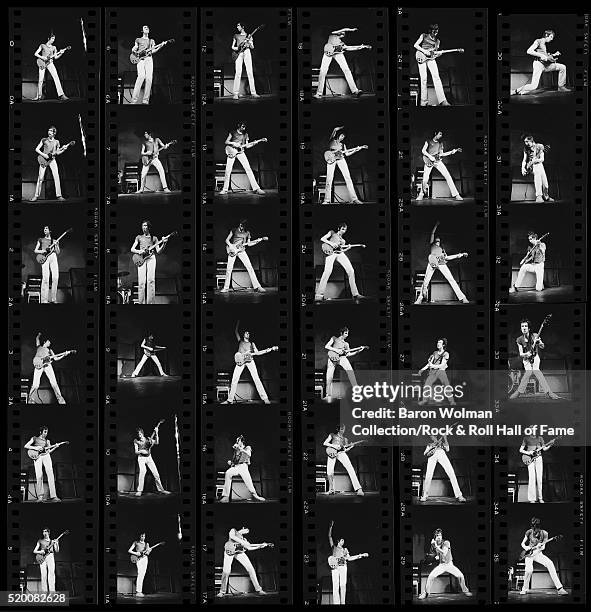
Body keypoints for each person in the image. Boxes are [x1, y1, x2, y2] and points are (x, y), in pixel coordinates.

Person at [415, 221, 469, 304]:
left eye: (438, 241)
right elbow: (432, 233)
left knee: (451, 279)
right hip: (432, 262)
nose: (437, 242)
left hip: (441, 264)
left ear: (440, 242)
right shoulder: (431, 245)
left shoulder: (442, 250)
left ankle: (463, 298)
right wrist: (436, 225)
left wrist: (461, 254)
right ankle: (420, 298)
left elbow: (448, 257)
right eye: (436, 240)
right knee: (426, 280)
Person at [223, 321, 274, 404]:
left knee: (256, 379)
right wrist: (238, 322)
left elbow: (257, 353)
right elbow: (235, 331)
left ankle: (265, 399)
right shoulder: (240, 341)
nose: (247, 334)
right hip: (240, 362)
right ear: (243, 334)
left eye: (248, 333)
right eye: (246, 333)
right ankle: (230, 400)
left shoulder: (252, 343)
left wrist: (269, 349)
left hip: (250, 361)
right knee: (234, 380)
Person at [509, 318, 560, 400]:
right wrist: (527, 354)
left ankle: (549, 393)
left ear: (529, 328)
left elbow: (542, 346)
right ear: (521, 328)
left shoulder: (535, 335)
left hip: (535, 357)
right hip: (526, 359)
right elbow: (521, 354)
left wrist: (539, 342)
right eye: (522, 326)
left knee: (536, 371)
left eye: (526, 326)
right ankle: (519, 392)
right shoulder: (519, 339)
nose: (524, 328)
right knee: (528, 373)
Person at [314, 27, 371, 98]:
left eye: (344, 34)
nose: (343, 34)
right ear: (340, 33)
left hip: (338, 54)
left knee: (347, 70)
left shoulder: (341, 44)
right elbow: (342, 30)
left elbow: (350, 48)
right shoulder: (332, 35)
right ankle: (319, 93)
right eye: (342, 33)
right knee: (323, 72)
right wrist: (351, 30)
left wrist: (362, 46)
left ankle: (355, 91)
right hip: (328, 54)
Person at [315, 222, 365, 302]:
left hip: (340, 253)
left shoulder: (343, 241)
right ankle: (319, 295)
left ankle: (355, 294)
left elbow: (341, 250)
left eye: (345, 230)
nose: (344, 231)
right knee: (327, 272)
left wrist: (347, 248)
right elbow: (323, 239)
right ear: (339, 228)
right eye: (342, 229)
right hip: (331, 253)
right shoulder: (332, 233)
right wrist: (331, 242)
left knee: (351, 271)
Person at [512, 29, 571, 96]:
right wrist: (541, 55)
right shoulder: (538, 41)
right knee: (534, 86)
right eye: (551, 37)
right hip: (539, 65)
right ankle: (515, 91)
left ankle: (561, 87)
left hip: (546, 65)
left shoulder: (544, 45)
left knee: (562, 67)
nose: (552, 39)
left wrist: (554, 55)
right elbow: (529, 51)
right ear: (546, 35)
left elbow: (546, 57)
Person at [418, 528, 472, 599]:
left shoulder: (446, 542)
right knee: (431, 576)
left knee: (460, 576)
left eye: (440, 535)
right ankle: (425, 593)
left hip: (449, 565)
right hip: (441, 565)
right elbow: (434, 555)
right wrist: (433, 557)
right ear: (435, 537)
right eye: (437, 535)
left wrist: (436, 546)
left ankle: (465, 591)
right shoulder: (434, 545)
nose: (439, 537)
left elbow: (444, 552)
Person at [218, 526, 271, 597]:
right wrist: (242, 542)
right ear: (243, 528)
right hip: (229, 552)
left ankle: (259, 590)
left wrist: (260, 546)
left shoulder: (244, 539)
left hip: (239, 553)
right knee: (226, 571)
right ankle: (222, 591)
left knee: (251, 569)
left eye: (248, 531)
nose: (247, 531)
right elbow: (232, 536)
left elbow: (249, 547)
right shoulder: (233, 531)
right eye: (246, 530)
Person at [519, 517, 568, 595]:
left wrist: (540, 546)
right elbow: (522, 544)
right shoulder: (528, 532)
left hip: (538, 553)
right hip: (529, 554)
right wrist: (527, 548)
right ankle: (524, 589)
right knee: (529, 570)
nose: (535, 531)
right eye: (533, 528)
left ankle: (560, 588)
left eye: (536, 529)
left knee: (550, 563)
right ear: (532, 527)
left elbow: (543, 547)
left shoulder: (545, 533)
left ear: (539, 527)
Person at [327, 520, 369, 604]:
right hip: (335, 567)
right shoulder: (334, 547)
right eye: (342, 540)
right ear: (338, 540)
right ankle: (336, 603)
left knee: (343, 586)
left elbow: (349, 558)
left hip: (343, 567)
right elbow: (329, 536)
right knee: (335, 586)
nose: (343, 542)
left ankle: (343, 602)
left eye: (343, 540)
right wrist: (330, 527)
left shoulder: (345, 550)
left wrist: (361, 555)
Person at [219, 122, 265, 195]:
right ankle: (225, 189)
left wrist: (256, 142)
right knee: (228, 170)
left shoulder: (246, 134)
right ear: (239, 126)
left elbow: (247, 146)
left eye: (245, 126)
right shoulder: (233, 132)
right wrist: (233, 143)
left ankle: (256, 188)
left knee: (248, 169)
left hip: (241, 152)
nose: (244, 128)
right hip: (232, 151)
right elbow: (226, 142)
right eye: (243, 126)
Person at [416, 131, 463, 201]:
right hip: (429, 161)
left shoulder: (440, 143)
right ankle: (421, 195)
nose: (441, 136)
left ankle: (456, 195)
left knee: (448, 176)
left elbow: (442, 154)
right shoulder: (428, 141)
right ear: (435, 133)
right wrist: (430, 156)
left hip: (437, 161)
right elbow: (423, 150)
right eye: (440, 134)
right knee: (425, 178)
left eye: (441, 135)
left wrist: (453, 151)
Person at [221, 219, 266, 293]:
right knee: (229, 268)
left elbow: (249, 244)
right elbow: (227, 240)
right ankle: (226, 288)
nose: (241, 227)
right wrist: (231, 246)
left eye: (243, 226)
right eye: (241, 225)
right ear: (240, 224)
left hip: (242, 251)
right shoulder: (234, 230)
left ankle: (257, 286)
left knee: (250, 267)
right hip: (233, 250)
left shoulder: (247, 232)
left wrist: (259, 240)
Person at [324, 327, 367, 402]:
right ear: (341, 333)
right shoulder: (334, 338)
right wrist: (336, 350)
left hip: (342, 358)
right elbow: (327, 346)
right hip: (332, 357)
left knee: (350, 372)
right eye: (346, 333)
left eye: (348, 333)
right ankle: (328, 394)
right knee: (329, 377)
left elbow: (348, 354)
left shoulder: (346, 344)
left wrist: (358, 351)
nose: (347, 335)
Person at [322, 127, 364, 204]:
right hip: (331, 159)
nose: (342, 137)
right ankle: (326, 200)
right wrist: (337, 128)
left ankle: (354, 199)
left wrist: (356, 150)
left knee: (348, 177)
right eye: (341, 136)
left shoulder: (343, 144)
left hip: (341, 159)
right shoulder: (332, 140)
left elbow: (347, 154)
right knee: (329, 179)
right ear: (338, 135)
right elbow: (334, 130)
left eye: (343, 137)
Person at [130, 220, 168, 304]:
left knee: (151, 280)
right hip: (141, 258)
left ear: (149, 227)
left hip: (151, 258)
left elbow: (158, 251)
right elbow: (132, 249)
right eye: (143, 225)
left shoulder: (154, 238)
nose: (144, 227)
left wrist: (164, 243)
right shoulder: (139, 237)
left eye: (145, 226)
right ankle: (141, 303)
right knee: (141, 282)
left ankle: (151, 303)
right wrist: (139, 251)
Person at [420, 434, 466, 502]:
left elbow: (447, 449)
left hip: (441, 454)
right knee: (428, 475)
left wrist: (445, 439)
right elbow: (425, 453)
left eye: (434, 435)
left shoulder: (441, 443)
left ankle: (459, 495)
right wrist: (431, 447)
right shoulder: (429, 444)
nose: (433, 437)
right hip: (432, 457)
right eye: (431, 436)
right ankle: (425, 496)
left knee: (451, 473)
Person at [220, 435, 266, 503]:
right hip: (236, 467)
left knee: (249, 483)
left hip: (243, 467)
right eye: (236, 440)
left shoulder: (247, 447)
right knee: (228, 473)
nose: (236, 442)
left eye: (238, 440)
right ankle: (226, 496)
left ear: (242, 441)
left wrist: (241, 449)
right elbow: (235, 462)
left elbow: (249, 454)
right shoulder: (236, 451)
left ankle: (255, 495)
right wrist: (231, 462)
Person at [413, 24, 450, 106]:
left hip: (431, 59)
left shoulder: (437, 41)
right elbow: (415, 45)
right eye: (434, 30)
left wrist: (438, 54)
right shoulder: (424, 35)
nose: (435, 32)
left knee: (436, 77)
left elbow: (434, 53)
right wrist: (424, 51)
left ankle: (443, 101)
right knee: (423, 79)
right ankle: (423, 102)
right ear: (430, 30)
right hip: (421, 57)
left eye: (436, 30)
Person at [323, 425, 364, 496]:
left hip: (341, 453)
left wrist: (350, 447)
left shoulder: (345, 439)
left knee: (350, 468)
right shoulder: (332, 435)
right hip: (332, 452)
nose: (343, 430)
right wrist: (334, 446)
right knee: (329, 471)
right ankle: (331, 489)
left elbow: (345, 450)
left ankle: (359, 489)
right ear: (338, 429)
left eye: (344, 429)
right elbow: (325, 443)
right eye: (341, 429)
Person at [130, 26, 167, 104]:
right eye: (145, 27)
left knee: (149, 78)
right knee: (141, 76)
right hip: (140, 59)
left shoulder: (152, 41)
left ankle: (145, 100)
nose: (147, 27)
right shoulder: (138, 39)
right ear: (142, 30)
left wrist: (161, 45)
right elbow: (135, 47)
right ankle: (133, 101)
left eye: (147, 27)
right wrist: (133, 49)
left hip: (149, 59)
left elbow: (153, 50)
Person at [24, 426, 60, 502]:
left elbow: (48, 451)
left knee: (50, 474)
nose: (46, 433)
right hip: (38, 456)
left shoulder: (47, 441)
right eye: (44, 432)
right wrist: (35, 448)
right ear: (40, 432)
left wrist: (55, 447)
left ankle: (54, 496)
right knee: (39, 475)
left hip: (46, 456)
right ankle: (40, 497)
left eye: (47, 432)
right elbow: (26, 446)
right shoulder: (34, 438)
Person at [28, 332, 67, 404]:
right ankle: (30, 399)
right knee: (35, 384)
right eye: (49, 342)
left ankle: (61, 400)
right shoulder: (39, 347)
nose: (50, 343)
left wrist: (64, 355)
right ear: (45, 342)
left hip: (47, 365)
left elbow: (56, 359)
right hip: (39, 365)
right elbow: (37, 339)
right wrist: (39, 335)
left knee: (54, 383)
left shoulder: (50, 350)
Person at [416, 338, 457, 406]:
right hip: (433, 372)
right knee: (427, 385)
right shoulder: (434, 353)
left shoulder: (446, 353)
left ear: (443, 345)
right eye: (438, 342)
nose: (438, 344)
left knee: (447, 386)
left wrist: (433, 365)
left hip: (441, 371)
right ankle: (425, 400)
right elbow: (429, 364)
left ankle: (451, 401)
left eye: (440, 342)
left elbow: (442, 365)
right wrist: (422, 370)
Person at [133, 425, 171, 496]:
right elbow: (136, 452)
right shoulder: (136, 441)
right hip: (141, 458)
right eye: (138, 435)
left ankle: (161, 490)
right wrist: (141, 451)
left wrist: (156, 433)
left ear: (142, 433)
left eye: (140, 434)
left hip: (149, 457)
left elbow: (157, 442)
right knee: (143, 471)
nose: (139, 436)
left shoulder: (148, 439)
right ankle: (139, 490)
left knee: (156, 473)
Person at [32, 126, 67, 202]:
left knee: (56, 177)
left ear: (54, 133)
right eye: (48, 130)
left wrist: (63, 150)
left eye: (51, 131)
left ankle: (59, 196)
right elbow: (36, 149)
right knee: (40, 178)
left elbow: (57, 152)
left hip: (52, 160)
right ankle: (36, 196)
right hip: (44, 160)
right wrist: (44, 155)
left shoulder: (57, 142)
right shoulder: (44, 140)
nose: (49, 132)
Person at [33, 34, 68, 101]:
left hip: (50, 63)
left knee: (56, 77)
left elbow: (56, 57)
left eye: (54, 39)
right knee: (40, 80)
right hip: (42, 63)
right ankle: (38, 96)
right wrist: (42, 57)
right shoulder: (42, 45)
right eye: (52, 38)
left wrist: (61, 53)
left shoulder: (54, 47)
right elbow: (35, 53)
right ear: (49, 38)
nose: (53, 40)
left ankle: (61, 95)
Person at [521, 135, 554, 203]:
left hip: (540, 164)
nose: (526, 143)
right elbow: (524, 160)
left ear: (531, 140)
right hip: (534, 167)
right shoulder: (526, 148)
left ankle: (546, 196)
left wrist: (535, 160)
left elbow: (542, 159)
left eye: (527, 141)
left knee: (545, 183)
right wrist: (523, 168)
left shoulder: (539, 146)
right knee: (538, 180)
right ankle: (539, 196)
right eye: (525, 142)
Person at [231, 23, 259, 99]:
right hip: (239, 53)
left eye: (238, 25)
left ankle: (253, 93)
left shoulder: (249, 35)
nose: (237, 27)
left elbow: (252, 47)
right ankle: (235, 93)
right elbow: (232, 46)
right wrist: (238, 48)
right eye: (237, 26)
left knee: (250, 72)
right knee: (238, 72)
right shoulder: (236, 35)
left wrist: (249, 44)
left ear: (243, 26)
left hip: (247, 52)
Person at [34, 226, 60, 303]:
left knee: (55, 278)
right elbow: (35, 250)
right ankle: (44, 300)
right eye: (44, 229)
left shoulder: (54, 240)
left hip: (53, 257)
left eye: (46, 229)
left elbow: (58, 252)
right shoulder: (40, 239)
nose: (44, 230)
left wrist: (56, 245)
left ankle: (53, 299)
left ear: (50, 230)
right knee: (45, 278)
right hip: (44, 256)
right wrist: (43, 250)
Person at [519, 435, 547, 503]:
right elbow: (520, 450)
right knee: (532, 478)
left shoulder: (540, 438)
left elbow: (544, 449)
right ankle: (532, 499)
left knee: (539, 479)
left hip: (539, 458)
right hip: (530, 458)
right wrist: (529, 452)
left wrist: (550, 445)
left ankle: (540, 498)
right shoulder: (526, 438)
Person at [128, 533, 151, 597]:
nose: (143, 537)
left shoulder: (147, 544)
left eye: (144, 536)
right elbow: (129, 550)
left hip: (145, 559)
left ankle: (139, 591)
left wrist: (149, 551)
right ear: (139, 536)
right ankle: (138, 592)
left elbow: (147, 553)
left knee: (143, 574)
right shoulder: (136, 542)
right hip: (138, 559)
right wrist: (136, 553)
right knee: (140, 573)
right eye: (142, 536)